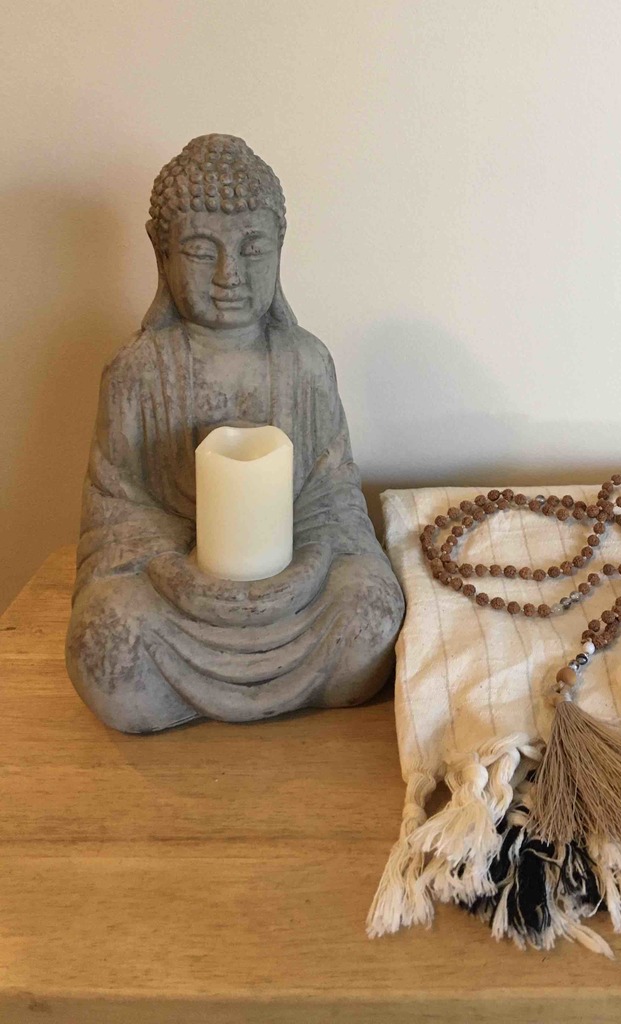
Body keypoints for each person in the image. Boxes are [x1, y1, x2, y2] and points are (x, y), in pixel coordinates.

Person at [66, 134, 405, 733]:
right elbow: (116, 515)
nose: (230, 275)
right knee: (107, 637)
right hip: (175, 596)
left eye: (253, 248)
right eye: (202, 251)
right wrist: (175, 572)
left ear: (280, 246)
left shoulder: (305, 362)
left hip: (296, 588)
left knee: (370, 608)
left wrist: (311, 563)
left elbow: (332, 494)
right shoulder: (136, 373)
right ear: (161, 253)